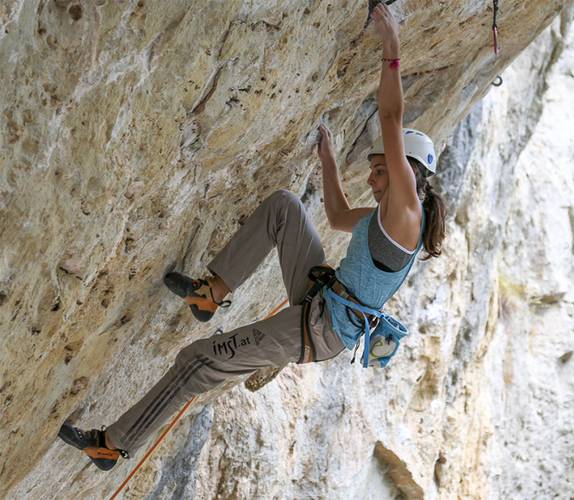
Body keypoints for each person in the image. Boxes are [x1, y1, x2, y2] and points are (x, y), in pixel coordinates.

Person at [57, 2, 446, 471]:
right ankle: (210, 292)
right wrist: (327, 158)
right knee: (285, 207)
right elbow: (340, 215)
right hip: (322, 299)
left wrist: (391, 44)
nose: (373, 179)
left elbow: (390, 115)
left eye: (380, 170)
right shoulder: (393, 215)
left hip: (318, 328)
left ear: (410, 174)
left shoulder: (405, 211)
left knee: (198, 360)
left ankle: (112, 444)